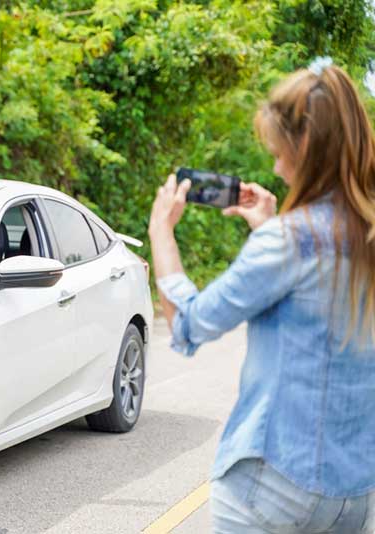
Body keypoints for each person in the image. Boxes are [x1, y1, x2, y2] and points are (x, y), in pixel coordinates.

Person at [148, 60, 375, 533]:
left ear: (306, 146)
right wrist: (270, 225)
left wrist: (161, 233)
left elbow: (189, 324)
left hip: (271, 485)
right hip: (352, 493)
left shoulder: (289, 242)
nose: (274, 165)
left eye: (278, 151)